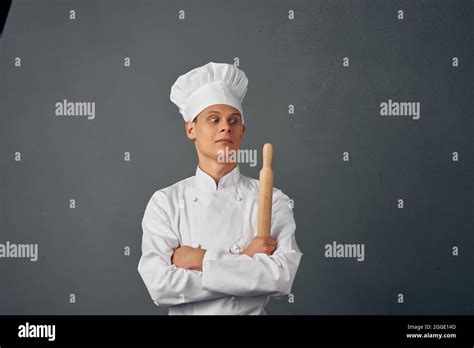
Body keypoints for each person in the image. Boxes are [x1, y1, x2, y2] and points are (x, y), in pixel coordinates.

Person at [137, 62, 303, 315]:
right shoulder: (165, 202)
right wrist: (246, 259)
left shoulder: (271, 199)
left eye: (233, 121)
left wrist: (198, 259)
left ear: (242, 131)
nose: (226, 126)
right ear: (191, 129)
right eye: (214, 119)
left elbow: (280, 277)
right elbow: (160, 287)